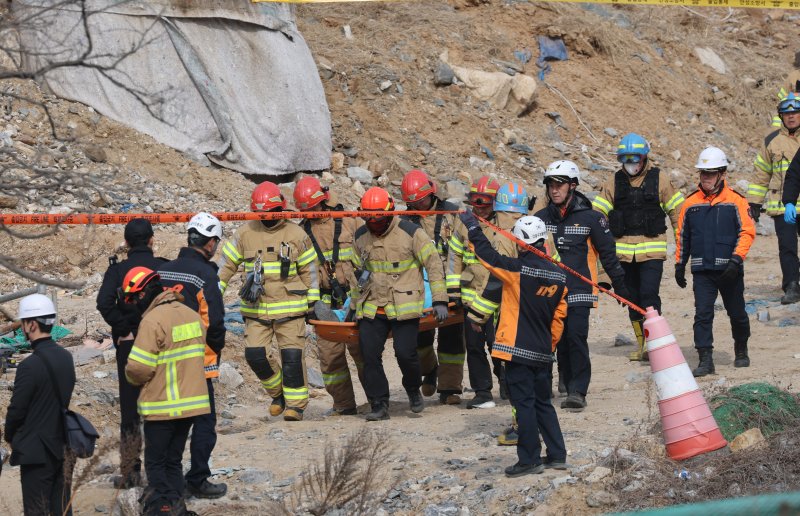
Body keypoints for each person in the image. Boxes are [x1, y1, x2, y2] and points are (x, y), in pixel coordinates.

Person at [459, 212, 568, 477]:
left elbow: (488, 256)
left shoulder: (517, 270)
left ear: (520, 243)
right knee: (543, 404)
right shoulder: (560, 277)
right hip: (543, 352)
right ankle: (556, 455)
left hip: (517, 352)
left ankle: (529, 459)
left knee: (525, 406)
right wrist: (548, 345)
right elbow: (559, 319)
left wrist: (473, 227)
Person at [218, 182, 319, 422]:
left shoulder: (296, 234)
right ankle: (278, 394)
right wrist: (213, 295)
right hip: (256, 309)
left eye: (272, 212)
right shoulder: (244, 234)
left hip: (291, 308)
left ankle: (296, 406)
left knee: (292, 358)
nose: (268, 217)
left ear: (281, 209)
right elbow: (226, 267)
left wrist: (313, 303)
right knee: (255, 355)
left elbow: (310, 271)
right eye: (263, 213)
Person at [535, 160, 629, 411]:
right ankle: (563, 378)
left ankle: (578, 390)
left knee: (576, 337)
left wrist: (620, 286)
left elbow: (608, 255)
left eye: (560, 185)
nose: (554, 190)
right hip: (549, 291)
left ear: (573, 186)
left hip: (579, 289)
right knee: (557, 339)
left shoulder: (591, 219)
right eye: (551, 185)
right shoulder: (539, 219)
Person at [351, 187, 449, 420]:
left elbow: (433, 264)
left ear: (389, 213)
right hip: (373, 306)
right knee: (369, 355)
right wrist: (353, 307)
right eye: (368, 218)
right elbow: (358, 276)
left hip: (404, 305)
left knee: (405, 354)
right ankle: (379, 403)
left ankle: (413, 390)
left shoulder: (411, 232)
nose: (373, 224)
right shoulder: (360, 237)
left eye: (378, 219)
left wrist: (439, 299)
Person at [123, 267, 209, 516]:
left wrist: (131, 377)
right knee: (174, 461)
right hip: (191, 405)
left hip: (163, 406)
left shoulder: (152, 321)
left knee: (156, 463)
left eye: (134, 298)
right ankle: (178, 508)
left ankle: (162, 508)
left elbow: (138, 368)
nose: (133, 304)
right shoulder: (191, 314)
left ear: (145, 293)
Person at [592, 134, 685, 361]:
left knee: (649, 295)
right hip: (623, 254)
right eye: (625, 158)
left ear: (644, 157)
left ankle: (656, 343)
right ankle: (643, 345)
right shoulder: (614, 182)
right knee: (630, 298)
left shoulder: (660, 179)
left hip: (651, 252)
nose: (630, 163)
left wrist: (683, 252)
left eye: (635, 158)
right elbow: (596, 217)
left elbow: (678, 215)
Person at [157, 212, 227, 499]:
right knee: (203, 422)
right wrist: (216, 349)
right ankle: (197, 478)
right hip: (196, 362)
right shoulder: (206, 275)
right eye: (216, 242)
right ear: (210, 243)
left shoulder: (165, 270)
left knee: (165, 424)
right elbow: (215, 322)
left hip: (162, 359)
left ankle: (162, 480)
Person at [96, 218, 167, 488]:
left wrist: (124, 327)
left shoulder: (117, 271)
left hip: (130, 344)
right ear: (152, 240)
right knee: (162, 406)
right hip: (160, 342)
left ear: (126, 243)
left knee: (130, 408)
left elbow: (103, 303)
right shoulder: (163, 266)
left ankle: (130, 471)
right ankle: (159, 469)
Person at [675, 147, 756, 376]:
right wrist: (680, 265)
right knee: (702, 314)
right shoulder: (690, 203)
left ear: (722, 173)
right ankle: (705, 359)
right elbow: (682, 235)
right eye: (703, 173)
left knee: (737, 313)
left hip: (730, 269)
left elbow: (747, 233)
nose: (705, 178)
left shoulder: (736, 201)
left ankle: (741, 348)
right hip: (702, 271)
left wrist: (736, 260)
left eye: (710, 173)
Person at [293, 176, 364, 416]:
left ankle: (377, 399)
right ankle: (344, 405)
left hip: (352, 299)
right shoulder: (301, 233)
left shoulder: (349, 223)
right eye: (305, 210)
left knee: (363, 353)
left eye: (312, 207)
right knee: (330, 358)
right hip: (323, 303)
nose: (309, 213)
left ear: (322, 201)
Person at [4, 294, 76, 516]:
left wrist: (9, 435)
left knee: (37, 509)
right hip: (63, 445)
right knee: (62, 506)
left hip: (37, 451)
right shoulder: (66, 357)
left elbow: (17, 410)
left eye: (23, 324)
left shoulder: (30, 366)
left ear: (31, 324)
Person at [400, 169, 464, 405]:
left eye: (422, 200)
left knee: (452, 340)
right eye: (413, 203)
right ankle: (431, 370)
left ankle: (450, 389)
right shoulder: (403, 221)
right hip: (420, 289)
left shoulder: (452, 214)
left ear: (432, 193)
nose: (419, 205)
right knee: (420, 338)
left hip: (450, 284)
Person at [447, 175, 506, 409]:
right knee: (473, 346)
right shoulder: (464, 224)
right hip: (471, 296)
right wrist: (453, 292)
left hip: (498, 298)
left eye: (485, 203)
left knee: (498, 345)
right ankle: (482, 391)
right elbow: (454, 257)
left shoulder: (505, 223)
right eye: (475, 203)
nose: (479, 208)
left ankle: (508, 384)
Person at [751, 94, 800, 305]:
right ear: (781, 116)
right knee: (787, 248)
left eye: (795, 113)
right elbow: (761, 173)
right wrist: (754, 202)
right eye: (787, 113)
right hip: (782, 205)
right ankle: (791, 286)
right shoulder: (771, 141)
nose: (791, 117)